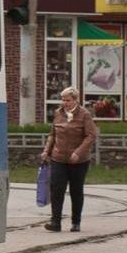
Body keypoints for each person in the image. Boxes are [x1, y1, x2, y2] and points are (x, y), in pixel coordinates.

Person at [41, 86, 99, 233]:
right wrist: (46, 151)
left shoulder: (84, 115)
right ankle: (55, 222)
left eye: (68, 100)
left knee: (76, 190)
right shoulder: (58, 113)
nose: (64, 103)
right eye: (63, 100)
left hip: (78, 161)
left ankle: (76, 222)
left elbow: (91, 135)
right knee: (56, 188)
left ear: (75, 100)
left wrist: (78, 152)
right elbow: (52, 134)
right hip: (58, 157)